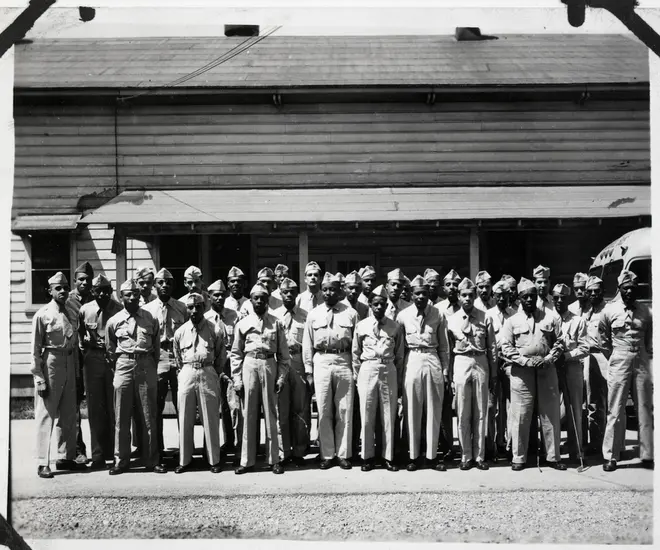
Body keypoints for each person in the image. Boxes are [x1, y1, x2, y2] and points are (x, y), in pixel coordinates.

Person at [500, 277, 566, 471]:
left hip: (546, 370)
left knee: (550, 414)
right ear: (519, 298)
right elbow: (506, 347)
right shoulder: (512, 321)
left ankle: (553, 457)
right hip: (522, 373)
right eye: (525, 297)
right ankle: (519, 458)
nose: (529, 299)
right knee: (521, 415)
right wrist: (526, 361)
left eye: (532, 296)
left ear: (538, 297)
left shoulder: (550, 317)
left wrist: (548, 359)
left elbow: (560, 342)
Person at [106, 279, 166, 475]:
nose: (132, 297)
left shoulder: (150, 318)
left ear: (140, 296)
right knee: (121, 415)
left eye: (135, 294)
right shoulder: (113, 321)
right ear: (121, 296)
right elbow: (109, 349)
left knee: (149, 415)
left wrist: (150, 365)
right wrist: (121, 365)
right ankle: (121, 461)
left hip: (146, 364)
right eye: (127, 294)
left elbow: (156, 347)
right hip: (123, 365)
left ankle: (152, 459)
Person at [231, 283, 291, 475]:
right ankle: (246, 461)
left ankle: (274, 459)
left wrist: (281, 378)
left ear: (267, 301)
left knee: (272, 414)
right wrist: (237, 379)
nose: (259, 301)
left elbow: (284, 356)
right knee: (248, 413)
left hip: (268, 365)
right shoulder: (242, 324)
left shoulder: (276, 323)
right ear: (251, 300)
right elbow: (236, 354)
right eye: (256, 298)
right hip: (249, 365)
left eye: (263, 298)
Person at [303, 272, 358, 470]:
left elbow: (356, 345)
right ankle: (326, 453)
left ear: (340, 290)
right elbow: (307, 344)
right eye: (325, 289)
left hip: (344, 360)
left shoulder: (350, 313)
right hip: (322, 361)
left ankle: (343, 454)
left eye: (333, 289)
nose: (328, 292)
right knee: (324, 408)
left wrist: (355, 368)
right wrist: (309, 371)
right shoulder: (313, 314)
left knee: (344, 409)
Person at [599, 270, 653, 472]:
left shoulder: (645, 311)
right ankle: (611, 456)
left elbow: (649, 339)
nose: (629, 291)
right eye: (625, 288)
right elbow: (603, 340)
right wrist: (615, 356)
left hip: (641, 359)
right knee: (615, 409)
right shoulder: (609, 311)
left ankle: (647, 454)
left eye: (633, 288)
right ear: (619, 289)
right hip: (619, 358)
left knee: (644, 409)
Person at [32, 272, 84, 478]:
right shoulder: (42, 315)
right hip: (51, 361)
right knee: (46, 413)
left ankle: (67, 456)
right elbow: (35, 349)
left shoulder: (72, 312)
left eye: (64, 287)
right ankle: (42, 462)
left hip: (70, 361)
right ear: (50, 291)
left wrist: (77, 374)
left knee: (69, 413)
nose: (62, 291)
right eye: (58, 288)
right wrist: (39, 378)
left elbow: (76, 344)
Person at [398, 275, 451, 471]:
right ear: (411, 295)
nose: (421, 297)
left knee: (433, 409)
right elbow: (400, 348)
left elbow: (444, 346)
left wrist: (445, 370)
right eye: (417, 293)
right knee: (412, 408)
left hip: (432, 357)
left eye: (424, 294)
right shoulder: (403, 315)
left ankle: (431, 456)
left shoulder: (438, 314)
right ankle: (413, 456)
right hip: (412, 358)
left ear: (429, 295)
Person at [446, 278, 497, 471]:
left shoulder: (485, 317)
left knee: (481, 411)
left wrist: (492, 373)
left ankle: (479, 455)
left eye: (470, 295)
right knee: (462, 411)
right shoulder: (450, 320)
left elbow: (492, 347)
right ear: (458, 297)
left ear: (475, 297)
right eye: (463, 295)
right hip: (461, 362)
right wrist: (450, 375)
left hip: (481, 362)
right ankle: (465, 456)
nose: (467, 298)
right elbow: (448, 350)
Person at [352, 285, 404, 472]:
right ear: (370, 305)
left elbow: (399, 354)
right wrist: (359, 376)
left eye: (382, 304)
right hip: (368, 368)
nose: (379, 308)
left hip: (388, 367)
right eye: (375, 304)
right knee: (367, 414)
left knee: (389, 415)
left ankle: (388, 457)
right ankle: (367, 456)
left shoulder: (394, 326)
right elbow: (355, 353)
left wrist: (395, 376)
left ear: (386, 305)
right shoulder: (361, 326)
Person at [172, 293, 226, 474]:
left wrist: (213, 371)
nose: (194, 310)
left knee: (210, 417)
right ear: (186, 309)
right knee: (185, 416)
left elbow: (221, 355)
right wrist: (185, 371)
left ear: (204, 307)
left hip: (207, 370)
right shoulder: (180, 332)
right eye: (190, 307)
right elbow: (178, 358)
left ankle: (213, 459)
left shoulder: (214, 329)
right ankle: (185, 460)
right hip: (187, 371)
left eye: (198, 307)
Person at [143, 268, 189, 463]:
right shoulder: (147, 310)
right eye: (160, 283)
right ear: (155, 286)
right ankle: (157, 451)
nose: (164, 286)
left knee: (183, 405)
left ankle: (184, 451)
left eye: (168, 283)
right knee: (156, 405)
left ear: (173, 286)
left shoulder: (182, 308)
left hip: (178, 358)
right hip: (158, 358)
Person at [78, 273, 123, 469]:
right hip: (93, 358)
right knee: (95, 408)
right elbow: (81, 336)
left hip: (113, 358)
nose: (103, 294)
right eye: (98, 291)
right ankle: (97, 455)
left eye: (107, 291)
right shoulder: (85, 310)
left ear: (111, 292)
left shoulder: (119, 309)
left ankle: (116, 453)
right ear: (92, 292)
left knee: (115, 407)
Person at [272, 277, 310, 467]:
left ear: (297, 294)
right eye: (285, 292)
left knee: (301, 408)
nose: (289, 295)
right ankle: (282, 452)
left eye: (292, 292)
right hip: (280, 363)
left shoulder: (305, 315)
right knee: (281, 409)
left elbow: (309, 344)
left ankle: (300, 451)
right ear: (280, 293)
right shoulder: (274, 315)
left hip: (298, 362)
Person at [552, 283, 589, 464]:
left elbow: (585, 348)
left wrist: (566, 355)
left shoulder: (578, 321)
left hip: (572, 367)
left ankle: (577, 453)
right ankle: (553, 454)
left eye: (563, 298)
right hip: (551, 369)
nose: (559, 301)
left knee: (575, 410)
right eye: (556, 297)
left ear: (568, 299)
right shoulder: (547, 320)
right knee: (552, 411)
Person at [205, 279, 241, 456]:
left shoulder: (235, 316)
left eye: (222, 295)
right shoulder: (205, 319)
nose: (219, 298)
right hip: (212, 366)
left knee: (233, 406)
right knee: (214, 406)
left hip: (232, 366)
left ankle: (234, 443)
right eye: (215, 295)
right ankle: (213, 447)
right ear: (209, 296)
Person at [65, 260, 95, 465]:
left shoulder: (97, 299)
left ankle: (104, 450)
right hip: (73, 358)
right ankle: (77, 449)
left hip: (93, 359)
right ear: (75, 281)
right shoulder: (66, 302)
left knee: (97, 404)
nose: (85, 283)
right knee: (73, 406)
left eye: (88, 279)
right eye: (81, 279)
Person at [485, 280, 516, 460]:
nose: (502, 298)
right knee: (492, 406)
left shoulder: (514, 314)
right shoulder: (488, 315)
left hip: (510, 363)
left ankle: (509, 445)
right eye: (498, 295)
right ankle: (492, 446)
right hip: (493, 364)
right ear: (494, 297)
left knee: (511, 406)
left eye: (505, 295)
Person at [434, 269, 461, 461]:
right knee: (443, 406)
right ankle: (445, 445)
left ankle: (465, 446)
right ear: (444, 288)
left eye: (455, 284)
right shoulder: (438, 309)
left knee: (461, 405)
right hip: (443, 361)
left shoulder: (467, 307)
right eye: (449, 284)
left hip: (461, 361)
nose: (452, 288)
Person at [583, 275, 609, 455]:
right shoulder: (586, 312)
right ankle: (596, 442)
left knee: (608, 402)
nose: (593, 294)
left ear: (602, 292)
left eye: (596, 291)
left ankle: (612, 445)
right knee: (592, 402)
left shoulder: (608, 311)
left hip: (605, 356)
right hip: (589, 357)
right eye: (590, 292)